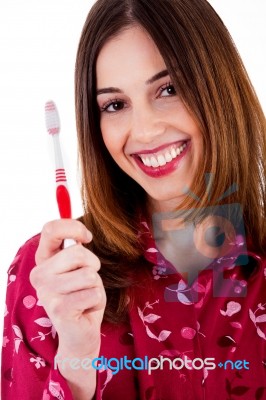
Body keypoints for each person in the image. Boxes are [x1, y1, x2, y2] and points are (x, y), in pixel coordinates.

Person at [1, 0, 266, 399]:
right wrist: (75, 359)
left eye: (169, 89)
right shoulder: (51, 278)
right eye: (115, 104)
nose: (143, 132)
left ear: (219, 87)